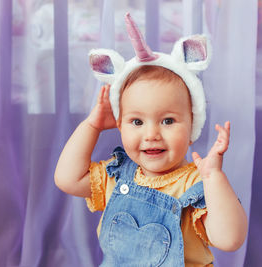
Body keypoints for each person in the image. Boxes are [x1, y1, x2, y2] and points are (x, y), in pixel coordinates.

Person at [54, 13, 247, 266]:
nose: (151, 135)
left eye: (168, 121)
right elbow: (67, 179)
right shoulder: (117, 175)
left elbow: (229, 239)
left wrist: (214, 178)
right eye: (137, 122)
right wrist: (92, 126)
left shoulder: (195, 182)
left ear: (192, 127)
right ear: (120, 125)